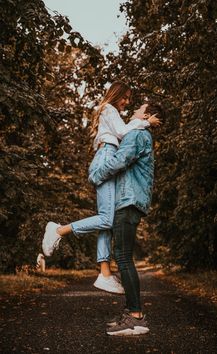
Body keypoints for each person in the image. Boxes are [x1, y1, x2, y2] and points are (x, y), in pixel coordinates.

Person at [42, 81, 160, 294]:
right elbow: (124, 132)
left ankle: (104, 272)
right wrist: (145, 122)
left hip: (109, 155)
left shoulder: (114, 113)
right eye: (124, 97)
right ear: (116, 94)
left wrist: (143, 122)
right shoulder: (108, 108)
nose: (126, 102)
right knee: (107, 218)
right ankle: (58, 230)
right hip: (106, 156)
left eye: (129, 100)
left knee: (109, 217)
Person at [89, 102, 163, 336]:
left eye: (139, 110)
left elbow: (120, 160)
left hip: (128, 200)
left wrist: (96, 175)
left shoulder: (137, 134)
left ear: (148, 115)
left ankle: (135, 317)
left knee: (122, 256)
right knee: (123, 256)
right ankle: (133, 313)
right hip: (131, 199)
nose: (134, 112)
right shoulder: (142, 134)